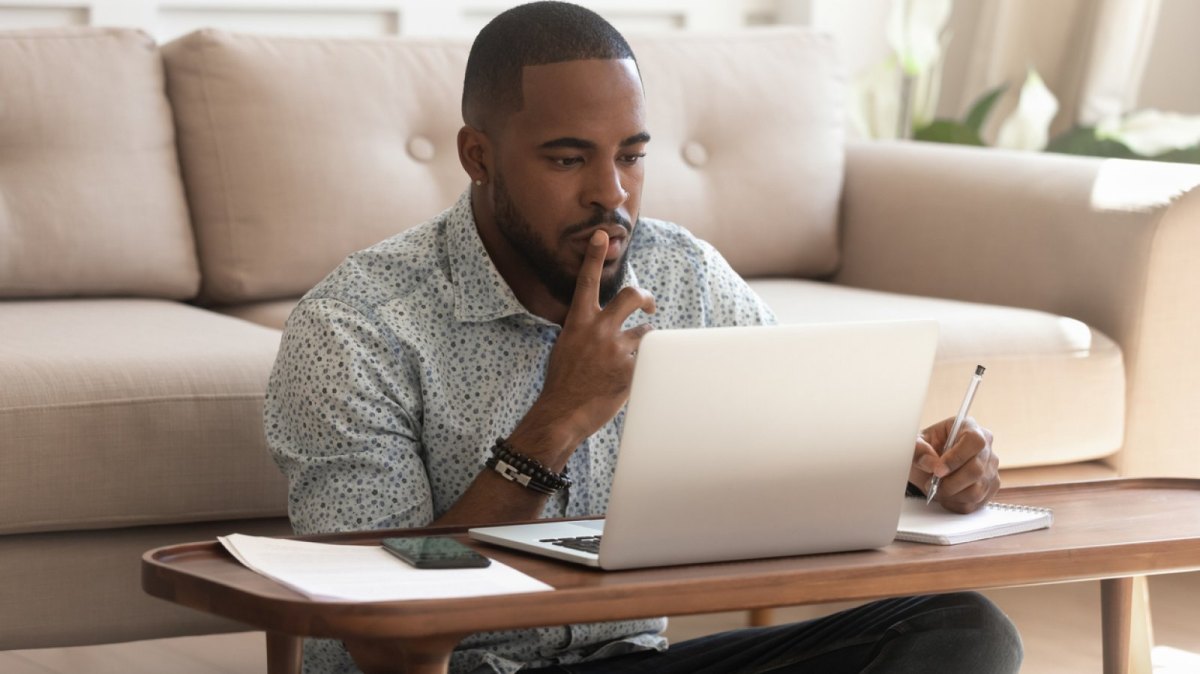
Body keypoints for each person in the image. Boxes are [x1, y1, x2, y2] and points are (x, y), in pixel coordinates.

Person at [265, 2, 1022, 672]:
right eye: (568, 159)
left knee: (963, 628)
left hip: (634, 662)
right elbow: (384, 636)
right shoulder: (356, 329)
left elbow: (797, 447)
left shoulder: (682, 275)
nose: (612, 194)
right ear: (479, 157)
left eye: (631, 155)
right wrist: (554, 425)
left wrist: (919, 468)